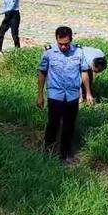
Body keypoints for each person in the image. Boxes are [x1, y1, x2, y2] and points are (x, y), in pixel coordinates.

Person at [37, 26, 94, 162]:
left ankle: (66, 155)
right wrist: (40, 94)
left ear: (71, 40)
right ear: (56, 39)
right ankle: (48, 153)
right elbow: (42, 72)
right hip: (55, 95)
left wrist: (88, 93)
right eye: (60, 44)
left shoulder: (78, 52)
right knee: (53, 124)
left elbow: (84, 72)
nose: (63, 47)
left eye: (66, 44)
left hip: (72, 95)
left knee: (69, 125)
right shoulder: (49, 52)